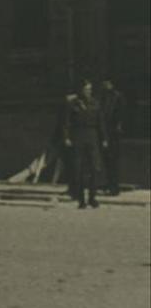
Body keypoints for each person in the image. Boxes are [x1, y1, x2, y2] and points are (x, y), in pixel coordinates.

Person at [63, 78, 107, 210]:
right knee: (79, 168)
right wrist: (67, 137)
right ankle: (81, 199)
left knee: (95, 167)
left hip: (92, 135)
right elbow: (67, 122)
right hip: (78, 135)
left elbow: (101, 122)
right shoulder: (73, 103)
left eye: (90, 89)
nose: (88, 91)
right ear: (81, 90)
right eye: (86, 89)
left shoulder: (95, 103)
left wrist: (104, 138)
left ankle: (92, 198)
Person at [98, 79, 126, 196]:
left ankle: (114, 186)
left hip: (113, 132)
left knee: (113, 160)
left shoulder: (117, 97)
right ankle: (108, 183)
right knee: (106, 159)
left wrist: (118, 127)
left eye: (107, 83)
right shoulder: (102, 97)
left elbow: (121, 114)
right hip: (104, 131)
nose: (105, 85)